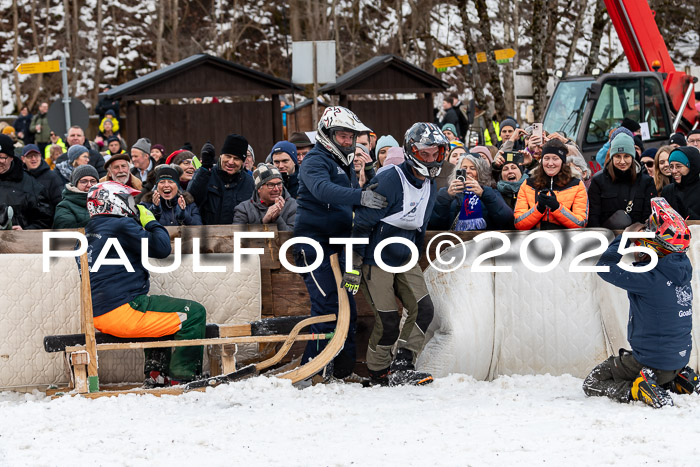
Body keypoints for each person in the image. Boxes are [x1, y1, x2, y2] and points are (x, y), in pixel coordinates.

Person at [342, 122, 445, 386]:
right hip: (375, 258)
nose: (432, 160)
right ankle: (378, 372)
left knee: (424, 309)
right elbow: (362, 223)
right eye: (426, 154)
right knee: (387, 321)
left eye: (437, 153)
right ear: (412, 151)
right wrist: (353, 266)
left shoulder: (431, 184)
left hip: (405, 256)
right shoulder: (390, 179)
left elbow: (420, 227)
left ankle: (403, 362)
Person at [293, 105, 387, 381]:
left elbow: (349, 199)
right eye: (342, 136)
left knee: (349, 308)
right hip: (312, 245)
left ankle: (343, 373)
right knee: (327, 307)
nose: (347, 141)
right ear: (327, 134)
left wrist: (364, 189)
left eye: (351, 137)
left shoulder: (345, 164)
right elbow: (323, 190)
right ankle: (311, 371)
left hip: (341, 245)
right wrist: (359, 197)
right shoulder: (314, 160)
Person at [83, 181, 206, 387]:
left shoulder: (91, 229)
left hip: (98, 313)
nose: (133, 204)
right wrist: (150, 221)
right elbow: (161, 247)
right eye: (129, 200)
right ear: (114, 202)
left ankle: (156, 373)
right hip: (124, 309)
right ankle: (184, 376)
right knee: (194, 313)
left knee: (159, 314)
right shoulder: (120, 225)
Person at [582, 199, 700, 408]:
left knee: (594, 381)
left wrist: (626, 237)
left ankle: (638, 389)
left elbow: (604, 266)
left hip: (651, 362)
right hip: (680, 359)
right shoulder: (682, 268)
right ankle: (680, 379)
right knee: (664, 362)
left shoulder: (648, 277)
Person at [514, 139, 588, 230]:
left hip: (566, 241)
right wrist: (538, 208)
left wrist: (557, 208)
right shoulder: (528, 184)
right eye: (547, 158)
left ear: (562, 161)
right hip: (535, 240)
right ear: (542, 160)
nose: (550, 163)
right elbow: (519, 223)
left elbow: (580, 223)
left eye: (555, 158)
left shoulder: (577, 185)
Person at [587, 133, 657, 229]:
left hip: (638, 239)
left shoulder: (646, 182)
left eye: (626, 156)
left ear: (632, 157)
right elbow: (593, 217)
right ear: (612, 157)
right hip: (608, 239)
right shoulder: (598, 181)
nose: (622, 161)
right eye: (618, 156)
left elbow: (649, 216)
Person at [430, 154, 513, 230]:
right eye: (464, 168)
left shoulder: (490, 192)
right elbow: (434, 223)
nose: (468, 171)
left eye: (473, 168)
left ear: (480, 172)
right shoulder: (447, 192)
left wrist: (484, 194)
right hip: (454, 241)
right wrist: (446, 196)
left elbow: (505, 219)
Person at [188, 134, 255, 225]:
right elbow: (191, 199)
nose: (231, 162)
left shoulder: (249, 182)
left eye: (236, 158)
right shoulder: (206, 174)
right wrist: (204, 169)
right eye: (228, 156)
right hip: (206, 236)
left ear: (243, 162)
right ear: (221, 156)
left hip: (237, 237)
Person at [0, 134, 52, 229]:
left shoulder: (31, 185)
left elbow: (44, 220)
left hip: (19, 242)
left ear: (11, 157)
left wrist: (25, 231)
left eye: (2, 158)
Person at [233, 163, 296, 231]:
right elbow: (237, 237)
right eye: (271, 185)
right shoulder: (244, 209)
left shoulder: (292, 205)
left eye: (279, 184)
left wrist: (277, 218)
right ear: (259, 188)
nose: (276, 189)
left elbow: (293, 237)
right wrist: (263, 222)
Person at [52, 164, 99, 229]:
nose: (89, 185)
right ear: (75, 184)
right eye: (84, 181)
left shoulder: (106, 201)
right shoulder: (64, 206)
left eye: (93, 181)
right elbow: (66, 230)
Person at [660, 146, 700, 220]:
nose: (674, 171)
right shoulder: (668, 191)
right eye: (671, 167)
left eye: (678, 166)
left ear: (691, 167)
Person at [22, 144, 63, 212]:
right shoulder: (20, 176)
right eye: (29, 156)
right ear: (23, 159)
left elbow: (60, 203)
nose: (33, 159)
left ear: (40, 156)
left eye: (36, 155)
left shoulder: (52, 177)